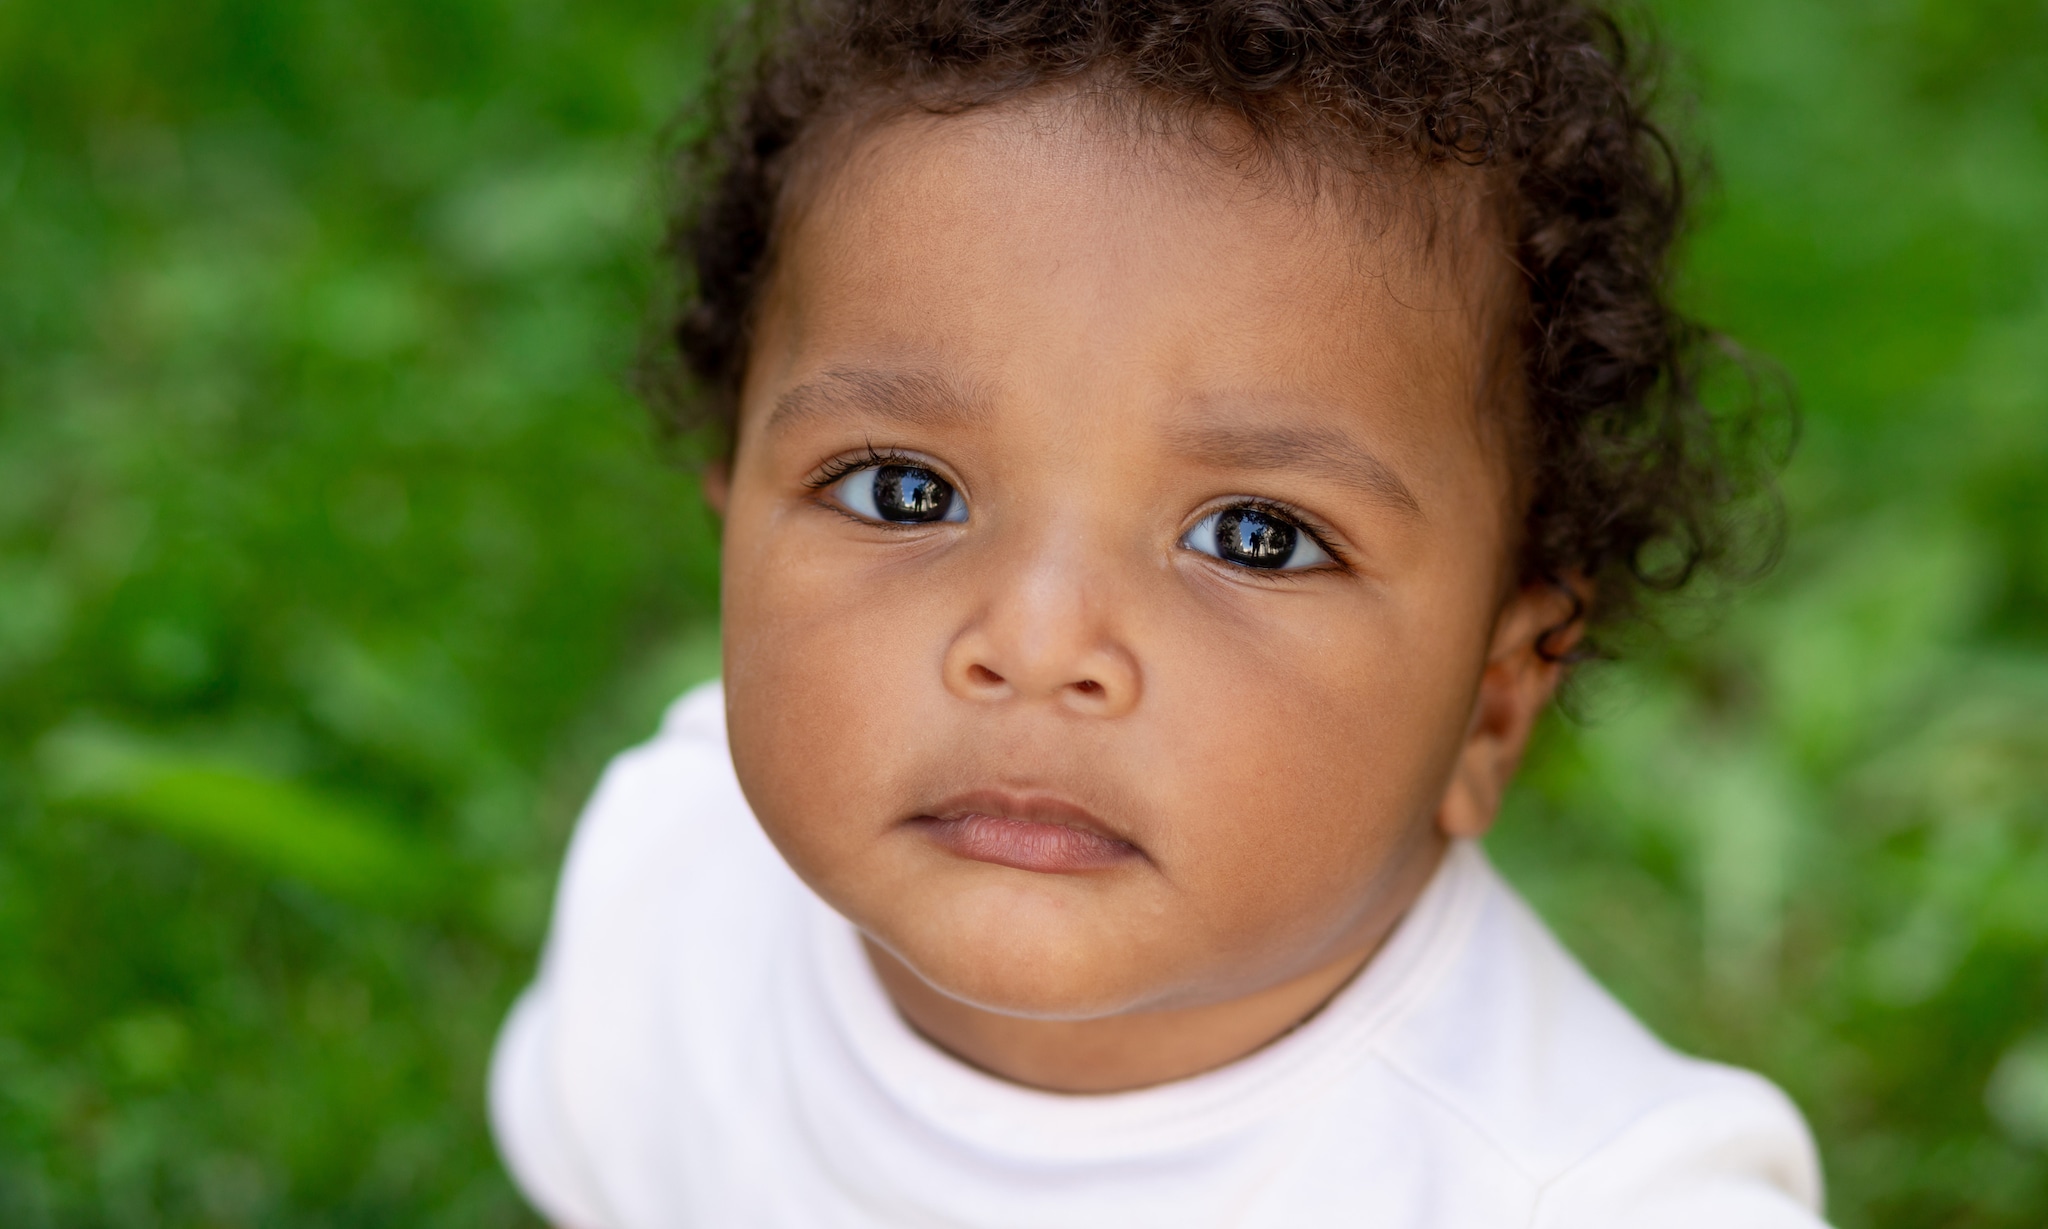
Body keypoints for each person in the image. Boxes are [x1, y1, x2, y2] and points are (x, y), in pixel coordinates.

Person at [488, 1, 1826, 1224]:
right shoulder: (674, 908)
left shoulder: (1589, 1200)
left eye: (1256, 537)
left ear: (1495, 700)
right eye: (904, 491)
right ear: (733, 530)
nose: (1037, 643)